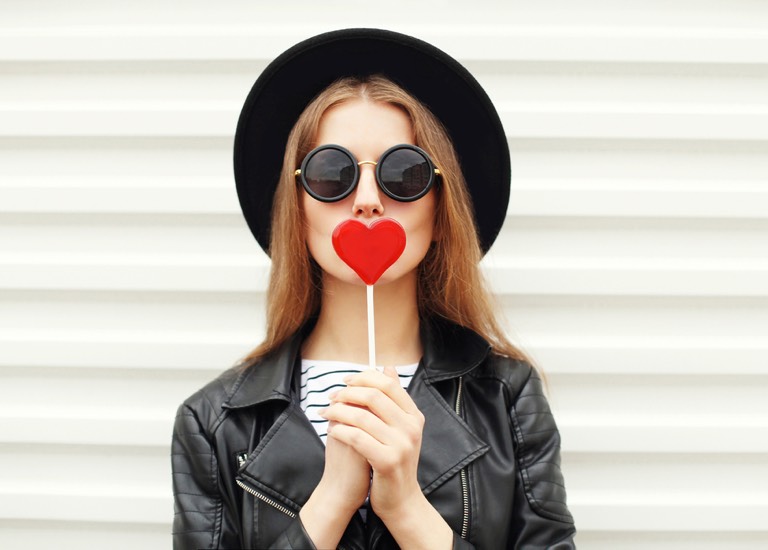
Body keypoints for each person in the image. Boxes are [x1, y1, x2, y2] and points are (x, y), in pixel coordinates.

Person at [172, 28, 576, 549]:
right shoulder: (213, 422)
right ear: (295, 205)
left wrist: (408, 509)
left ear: (439, 202)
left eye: (402, 174)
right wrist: (334, 498)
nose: (366, 199)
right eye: (331, 172)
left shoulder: (507, 397)